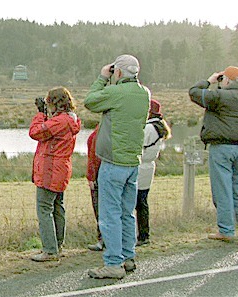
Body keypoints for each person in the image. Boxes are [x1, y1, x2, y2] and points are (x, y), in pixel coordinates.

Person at [84, 54, 150, 279]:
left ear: (118, 72)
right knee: (126, 213)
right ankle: (127, 256)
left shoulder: (115, 92)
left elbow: (90, 101)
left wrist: (102, 77)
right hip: (133, 161)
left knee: (109, 214)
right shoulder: (144, 94)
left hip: (113, 162)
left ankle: (113, 263)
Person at [188, 66, 238, 241]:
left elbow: (194, 92)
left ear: (226, 80)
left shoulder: (219, 97)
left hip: (221, 147)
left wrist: (210, 80)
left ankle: (226, 230)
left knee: (223, 189)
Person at [29, 87, 81, 262]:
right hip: (60, 169)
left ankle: (50, 250)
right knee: (58, 206)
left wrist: (40, 115)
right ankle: (57, 245)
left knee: (44, 209)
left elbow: (35, 132)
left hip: (50, 170)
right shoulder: (69, 120)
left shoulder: (60, 121)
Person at [135, 99, 172, 246]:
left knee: (137, 203)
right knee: (142, 202)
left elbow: (138, 145)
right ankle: (144, 235)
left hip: (140, 166)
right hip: (148, 167)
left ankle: (140, 235)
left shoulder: (149, 128)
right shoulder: (158, 127)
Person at [86, 125, 104, 251]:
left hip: (100, 173)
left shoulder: (101, 129)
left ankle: (102, 239)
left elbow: (94, 155)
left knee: (100, 208)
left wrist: (91, 176)